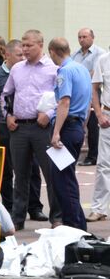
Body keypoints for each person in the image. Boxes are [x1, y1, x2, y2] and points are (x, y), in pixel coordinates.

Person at [3, 30, 60, 230]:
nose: (25, 49)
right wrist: (7, 115)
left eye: (29, 46)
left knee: (51, 173)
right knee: (20, 175)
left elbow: (61, 98)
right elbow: (6, 95)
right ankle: (18, 219)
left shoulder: (53, 70)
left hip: (42, 128)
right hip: (19, 128)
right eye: (23, 46)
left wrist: (51, 114)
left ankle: (57, 218)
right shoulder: (17, 69)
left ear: (40, 45)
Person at [48, 36, 91, 231]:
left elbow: (64, 101)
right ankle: (76, 223)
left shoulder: (64, 71)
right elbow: (88, 100)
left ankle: (74, 225)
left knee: (62, 181)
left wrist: (56, 132)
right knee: (68, 178)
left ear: (52, 52)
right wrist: (83, 125)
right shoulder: (81, 69)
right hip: (77, 125)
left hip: (66, 128)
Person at [0, 37, 15, 208]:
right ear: (7, 54)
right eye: (19, 54)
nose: (23, 58)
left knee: (29, 169)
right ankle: (10, 205)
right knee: (6, 170)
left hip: (22, 126)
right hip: (2, 126)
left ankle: (34, 207)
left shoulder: (23, 72)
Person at [73, 28, 103, 165]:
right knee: (78, 124)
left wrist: (79, 78)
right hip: (77, 93)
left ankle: (93, 156)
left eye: (84, 36)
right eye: (79, 37)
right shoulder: (75, 55)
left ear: (92, 37)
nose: (81, 39)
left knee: (92, 126)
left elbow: (95, 72)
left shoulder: (100, 54)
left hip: (93, 92)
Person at [90, 46, 110, 221]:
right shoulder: (104, 60)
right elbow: (94, 88)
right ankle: (99, 208)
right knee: (103, 164)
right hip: (108, 117)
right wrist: (98, 114)